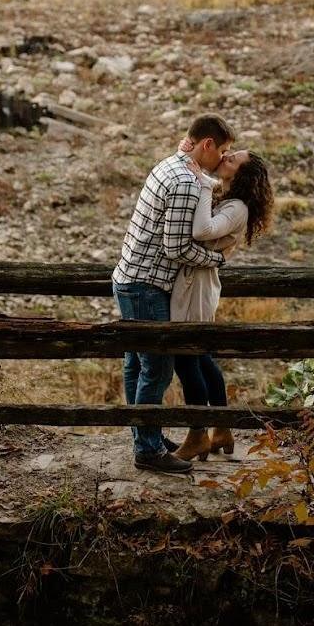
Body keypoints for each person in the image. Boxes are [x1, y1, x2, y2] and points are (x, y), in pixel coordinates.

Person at [111, 114, 235, 475]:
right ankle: (147, 450)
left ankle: (144, 437)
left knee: (136, 363)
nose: (222, 158)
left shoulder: (172, 164)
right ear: (207, 144)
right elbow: (177, 247)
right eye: (222, 150)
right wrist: (216, 259)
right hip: (148, 284)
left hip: (128, 277)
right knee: (157, 369)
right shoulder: (184, 182)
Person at [169, 150, 274, 461]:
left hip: (197, 288)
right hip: (197, 284)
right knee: (202, 359)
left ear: (241, 176)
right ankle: (222, 429)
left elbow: (202, 231)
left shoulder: (238, 208)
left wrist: (202, 183)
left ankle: (197, 434)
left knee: (186, 360)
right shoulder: (229, 199)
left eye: (232, 159)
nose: (225, 156)